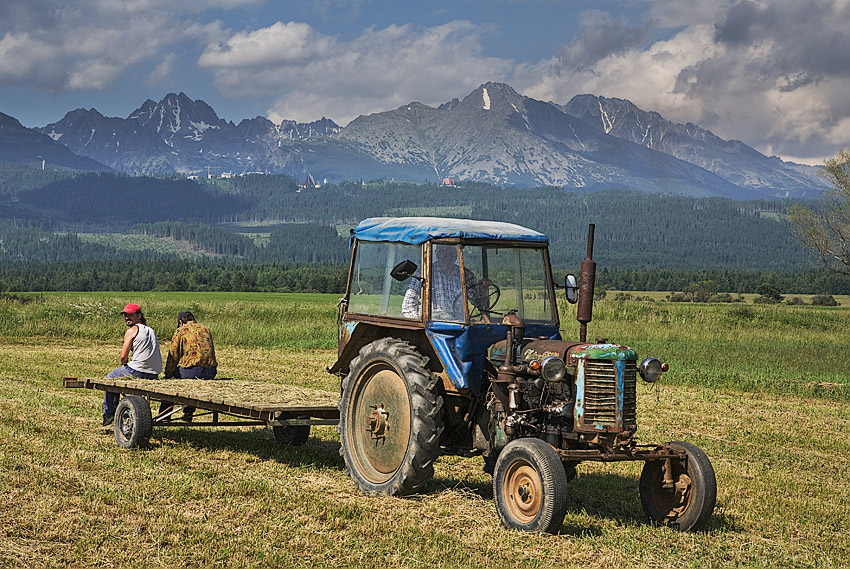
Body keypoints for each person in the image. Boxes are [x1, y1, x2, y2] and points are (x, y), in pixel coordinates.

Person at [102, 303, 162, 426]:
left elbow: (123, 357)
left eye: (130, 315)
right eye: (125, 315)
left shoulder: (132, 330)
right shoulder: (151, 330)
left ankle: (109, 414)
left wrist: (125, 364)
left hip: (137, 370)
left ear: (139, 315)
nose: (126, 318)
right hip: (154, 373)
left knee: (109, 379)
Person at [402, 244, 491, 321]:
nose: (447, 258)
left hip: (459, 322)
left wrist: (482, 290)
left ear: (456, 256)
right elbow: (408, 305)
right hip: (432, 323)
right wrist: (420, 325)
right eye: (443, 254)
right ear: (437, 255)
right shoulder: (425, 272)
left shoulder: (465, 275)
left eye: (451, 255)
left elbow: (477, 303)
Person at [162, 311, 217, 422]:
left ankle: (164, 416)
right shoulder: (205, 328)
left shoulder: (181, 330)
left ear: (180, 322)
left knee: (171, 382)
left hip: (193, 372)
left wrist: (168, 373)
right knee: (192, 384)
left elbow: (173, 355)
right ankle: (188, 413)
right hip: (211, 371)